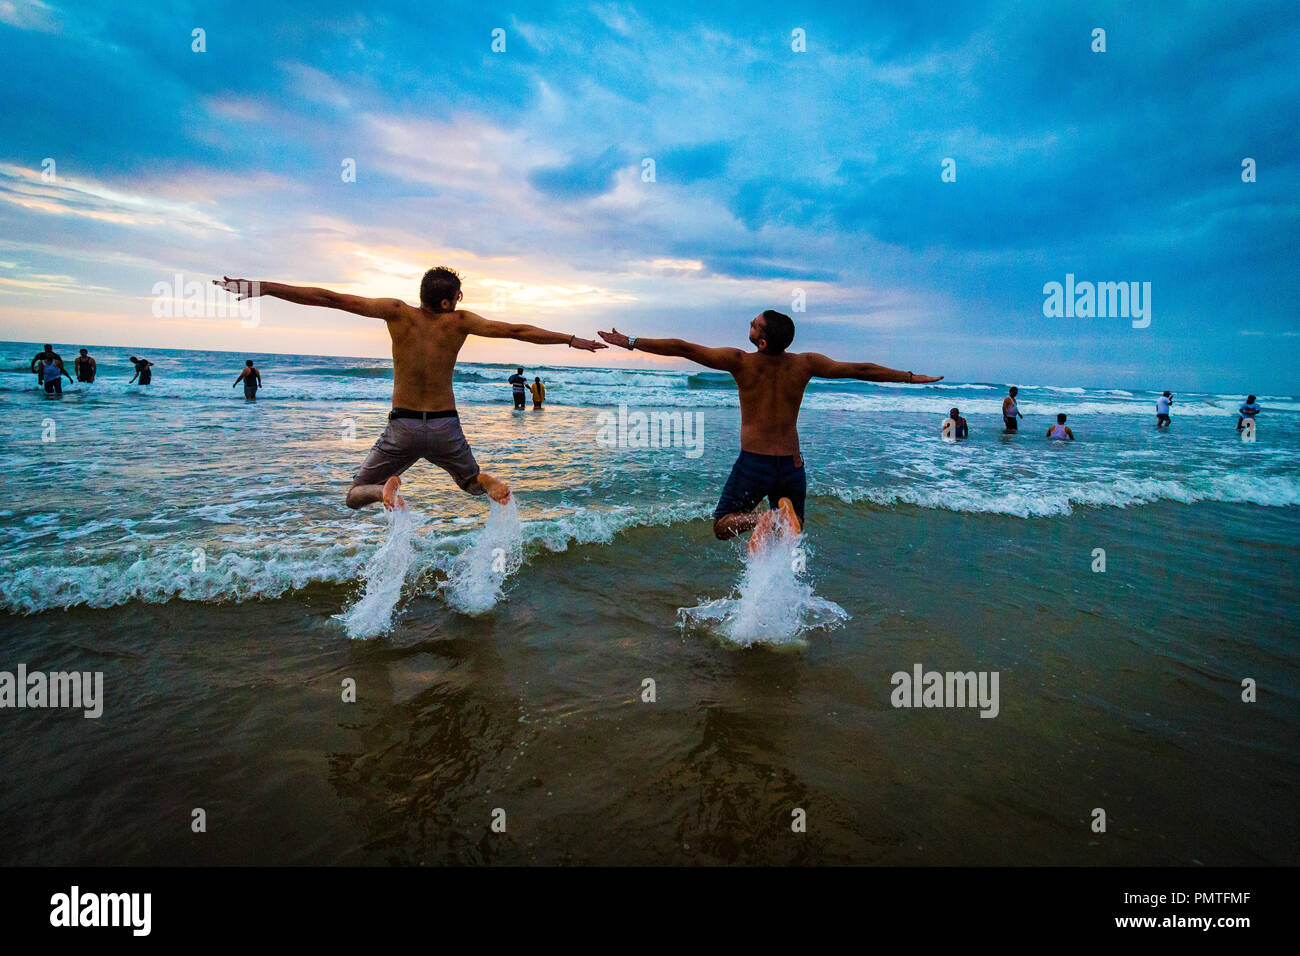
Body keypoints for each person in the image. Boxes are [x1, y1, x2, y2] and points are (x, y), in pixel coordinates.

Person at [213, 267, 606, 510]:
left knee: (354, 495)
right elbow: (518, 331)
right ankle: (485, 480)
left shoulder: (396, 312)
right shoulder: (460, 321)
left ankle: (383, 489)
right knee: (470, 485)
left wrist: (261, 287)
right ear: (449, 301)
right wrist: (571, 339)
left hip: (401, 427)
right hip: (444, 428)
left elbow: (330, 299)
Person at [598, 311, 941, 544]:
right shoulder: (806, 363)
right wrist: (910, 378)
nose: (749, 323)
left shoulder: (740, 362)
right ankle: (777, 589)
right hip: (792, 465)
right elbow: (860, 370)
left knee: (722, 525)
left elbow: (684, 348)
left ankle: (760, 519)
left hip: (755, 463)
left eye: (754, 325)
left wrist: (630, 341)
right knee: (791, 533)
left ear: (761, 342)